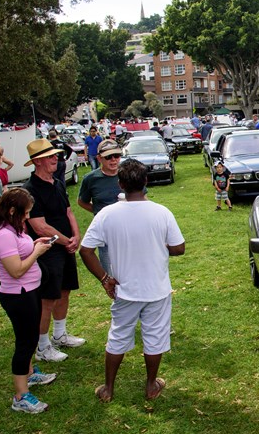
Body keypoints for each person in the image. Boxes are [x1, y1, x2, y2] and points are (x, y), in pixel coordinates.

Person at [79, 159, 185, 403]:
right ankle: (150, 385)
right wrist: (158, 246)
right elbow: (179, 248)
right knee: (155, 337)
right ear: (146, 182)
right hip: (156, 289)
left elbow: (86, 250)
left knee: (118, 335)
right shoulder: (161, 212)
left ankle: (108, 388)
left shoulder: (107, 214)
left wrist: (105, 278)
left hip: (123, 289)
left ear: (120, 184)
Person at [0, 188, 58, 414]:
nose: (28, 217)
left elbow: (20, 253)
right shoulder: (3, 235)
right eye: (25, 213)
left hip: (28, 291)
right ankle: (20, 395)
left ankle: (29, 374)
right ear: (11, 211)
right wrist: (36, 252)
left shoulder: (13, 229)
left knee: (29, 337)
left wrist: (36, 243)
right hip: (18, 295)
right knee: (25, 343)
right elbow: (16, 270)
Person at [22, 139, 84, 363]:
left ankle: (60, 334)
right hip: (48, 251)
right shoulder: (30, 190)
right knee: (47, 298)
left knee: (65, 290)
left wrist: (76, 236)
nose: (55, 158)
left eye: (55, 155)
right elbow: (40, 226)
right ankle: (42, 346)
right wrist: (68, 240)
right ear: (37, 161)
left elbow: (69, 212)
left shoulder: (57, 182)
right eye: (50, 156)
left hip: (65, 246)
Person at [78, 139, 125, 276]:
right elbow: (82, 201)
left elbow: (142, 198)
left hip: (127, 228)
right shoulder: (91, 178)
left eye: (116, 156)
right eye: (108, 157)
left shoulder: (127, 174)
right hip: (105, 232)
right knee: (110, 273)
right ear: (99, 158)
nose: (113, 160)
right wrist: (99, 212)